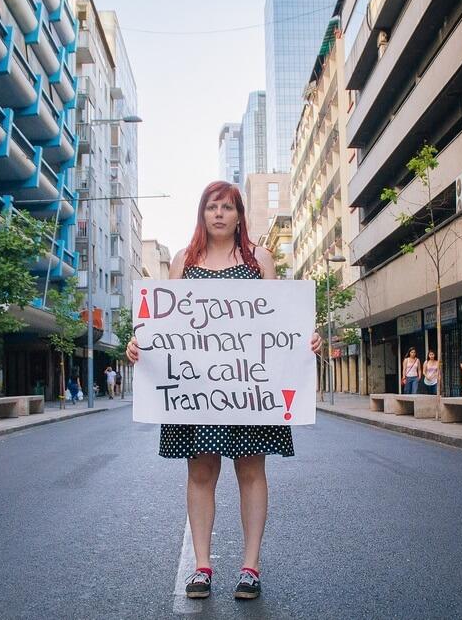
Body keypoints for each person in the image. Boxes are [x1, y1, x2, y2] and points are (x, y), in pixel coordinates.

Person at [125, 181, 321, 601]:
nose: (218, 214)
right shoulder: (184, 261)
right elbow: (166, 327)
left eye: (227, 207)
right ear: (202, 213)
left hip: (249, 388)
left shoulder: (258, 259)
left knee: (251, 471)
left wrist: (308, 337)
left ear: (238, 215)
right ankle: (202, 567)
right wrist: (140, 343)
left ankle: (250, 567)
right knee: (199, 472)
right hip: (198, 391)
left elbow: (281, 323)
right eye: (212, 207)